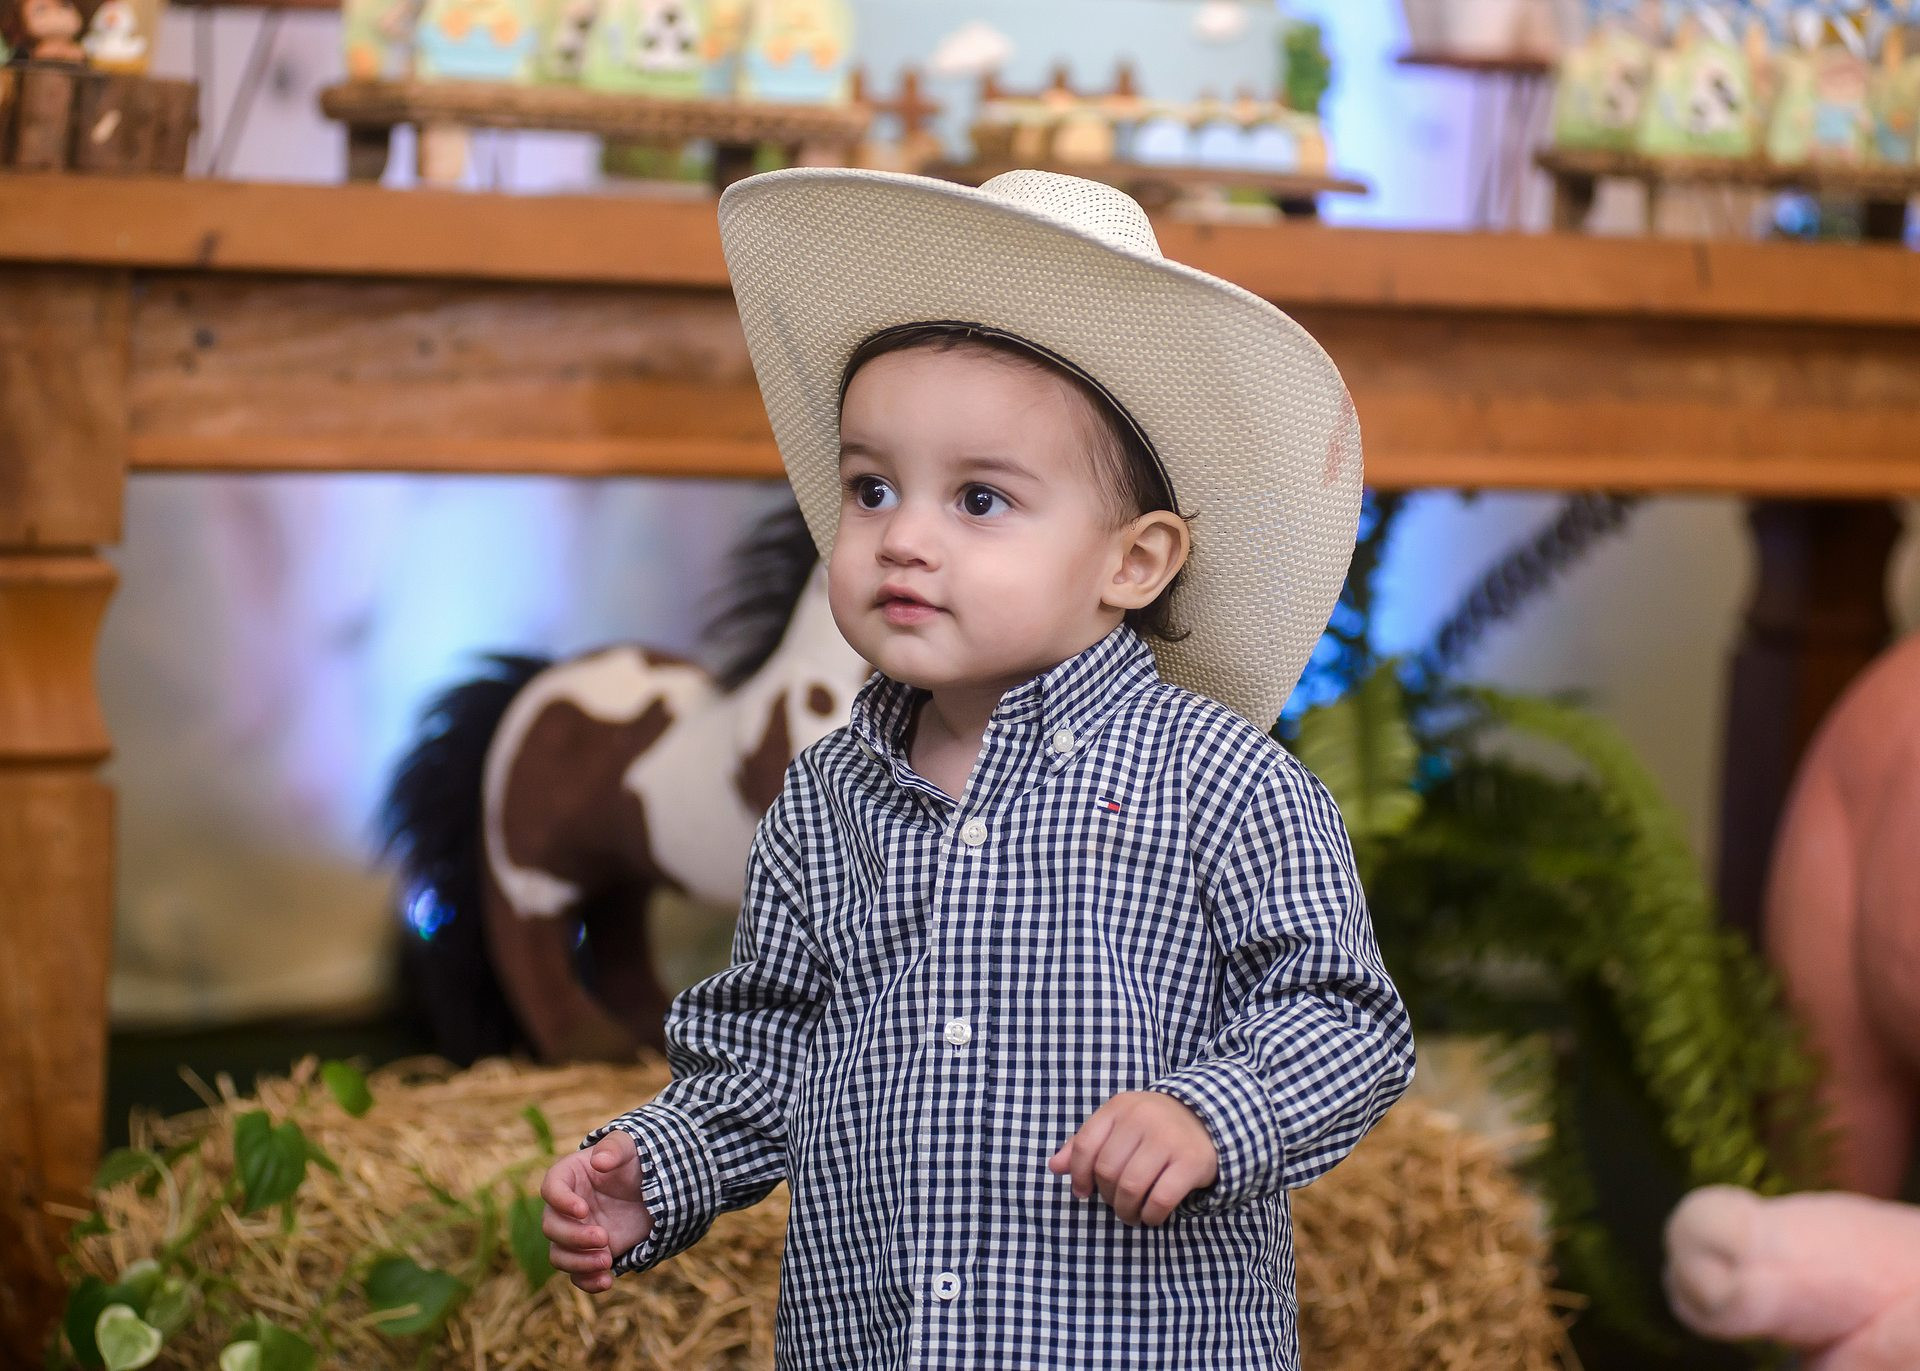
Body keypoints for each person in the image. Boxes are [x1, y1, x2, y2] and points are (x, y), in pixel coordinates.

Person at [540, 167, 1415, 1370]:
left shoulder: (1225, 784)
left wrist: (1214, 1113)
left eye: (982, 499)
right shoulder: (827, 799)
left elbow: (1346, 1018)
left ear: (1133, 563)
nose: (904, 536)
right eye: (873, 488)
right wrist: (666, 1165)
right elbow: (771, 1050)